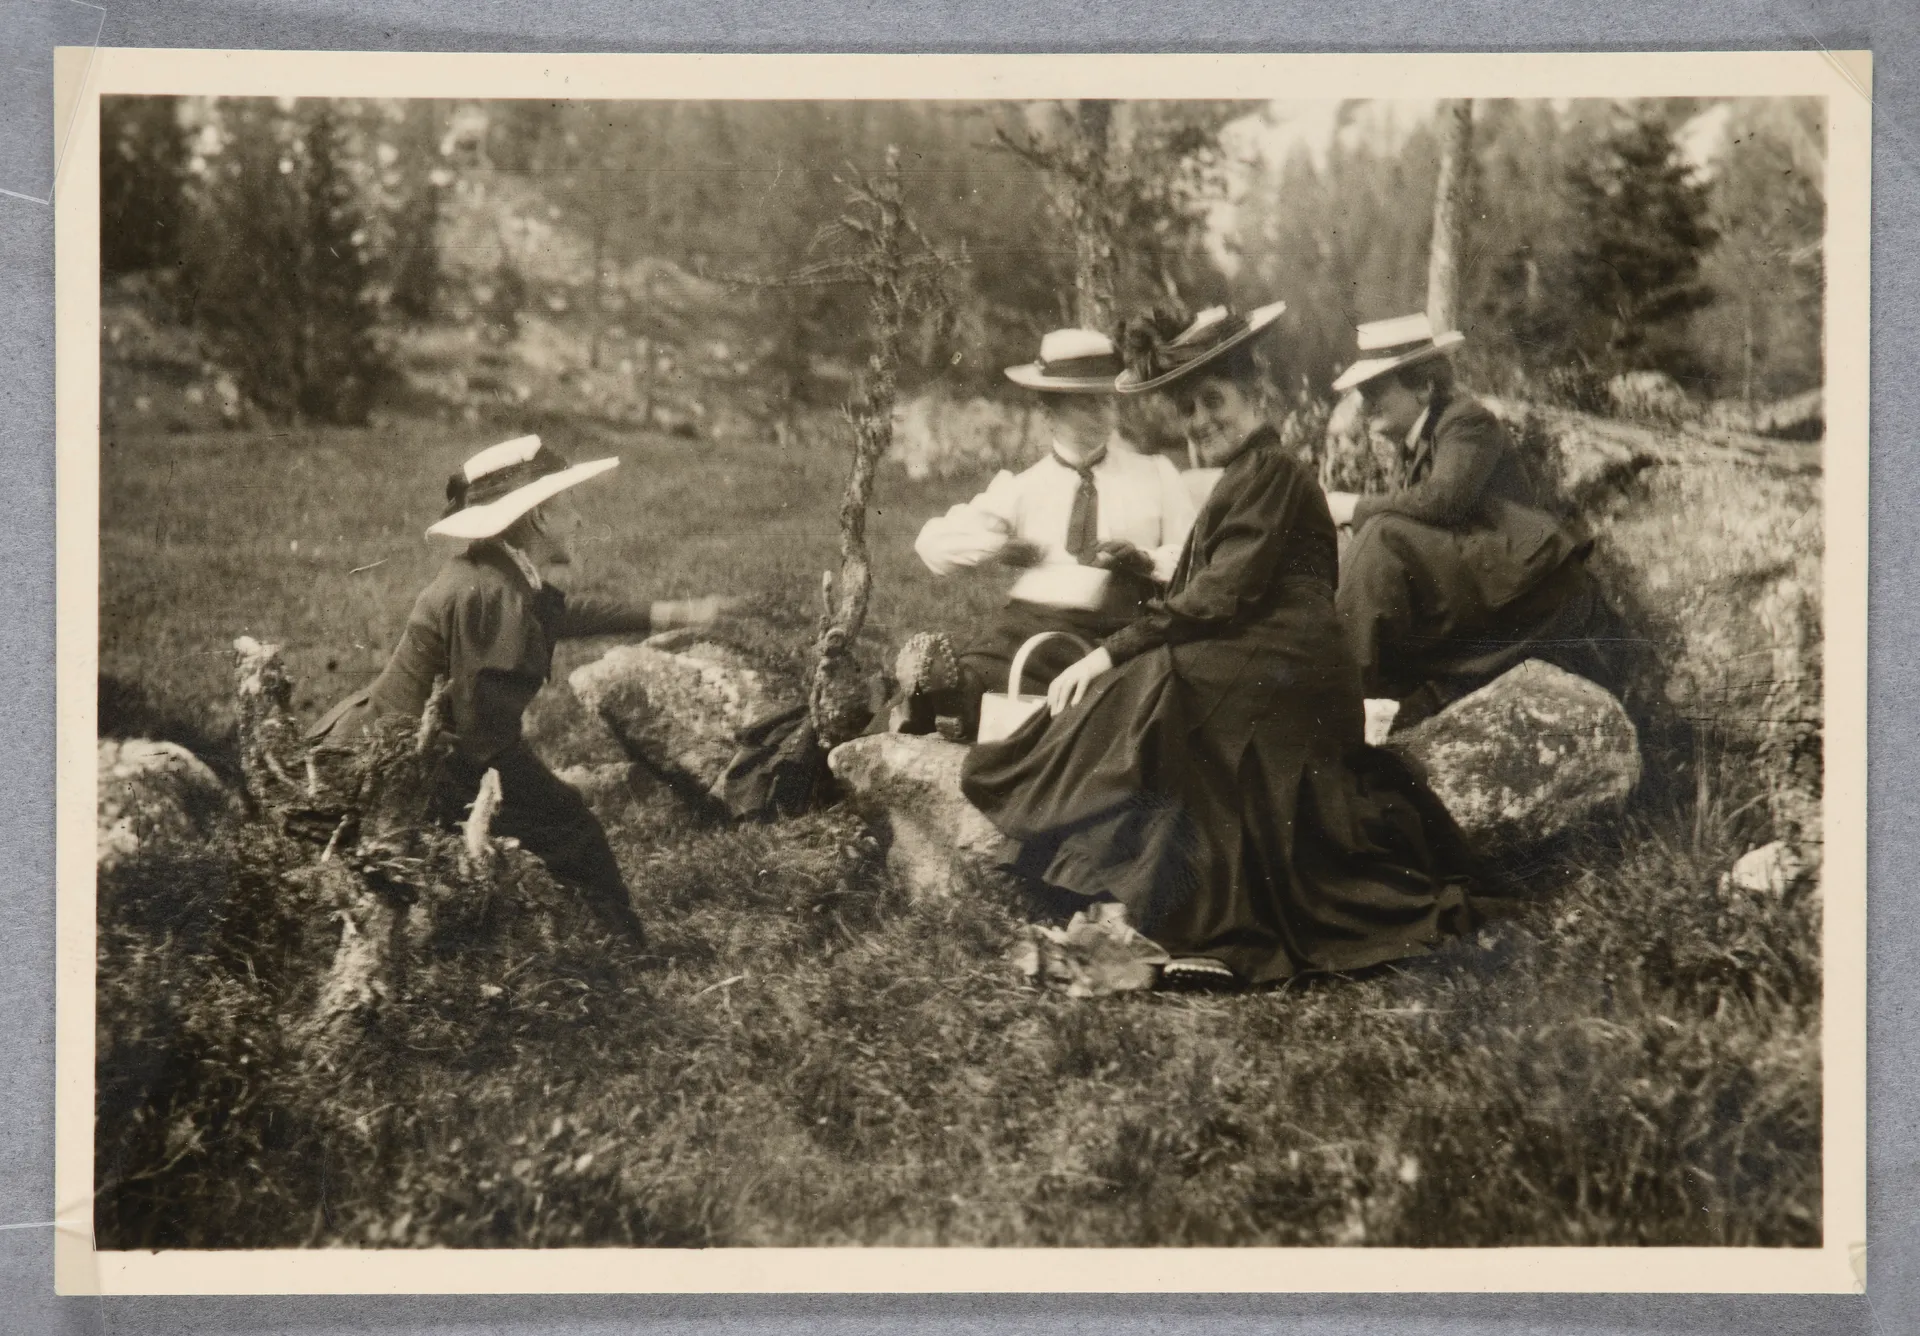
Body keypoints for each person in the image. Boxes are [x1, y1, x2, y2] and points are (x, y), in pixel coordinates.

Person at [960, 303, 1489, 990]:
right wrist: (1143, 590)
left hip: (1289, 672)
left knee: (1150, 681)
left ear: (1257, 395)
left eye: (1214, 401)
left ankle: (1048, 825)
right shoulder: (1248, 473)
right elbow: (1218, 583)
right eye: (1187, 411)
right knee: (1154, 683)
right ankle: (1100, 864)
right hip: (1262, 659)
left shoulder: (1269, 470)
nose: (1199, 422)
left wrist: (1105, 652)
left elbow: (1222, 595)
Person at [306, 434, 731, 943]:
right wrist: (547, 796)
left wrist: (668, 612)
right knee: (572, 829)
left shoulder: (499, 571)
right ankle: (626, 958)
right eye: (569, 506)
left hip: (391, 747)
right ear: (539, 520)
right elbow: (481, 738)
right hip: (393, 764)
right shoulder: (492, 594)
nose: (580, 520)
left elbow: (557, 615)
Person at [893, 327, 1196, 738]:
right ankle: (951, 699)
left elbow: (1196, 558)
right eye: (1085, 403)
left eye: (1107, 399)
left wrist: (1145, 561)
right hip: (1031, 623)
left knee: (1110, 690)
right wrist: (1000, 548)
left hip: (1120, 625)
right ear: (1049, 412)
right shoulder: (1025, 487)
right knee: (993, 661)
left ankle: (961, 707)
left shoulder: (1155, 474)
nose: (1103, 412)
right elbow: (931, 544)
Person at [1326, 314, 1621, 729]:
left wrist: (1351, 507)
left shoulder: (1465, 421)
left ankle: (1333, 705)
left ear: (1424, 387)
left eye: (1376, 389)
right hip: (1486, 584)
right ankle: (1351, 699)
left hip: (1527, 587)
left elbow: (1445, 501)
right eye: (1362, 391)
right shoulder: (1414, 449)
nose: (1365, 402)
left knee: (1380, 538)